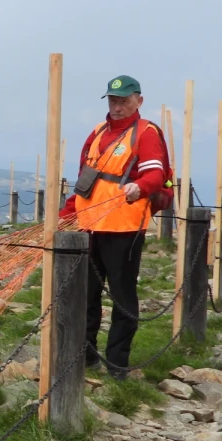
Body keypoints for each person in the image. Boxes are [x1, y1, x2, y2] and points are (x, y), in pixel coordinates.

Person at [59, 75, 174, 380]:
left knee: (123, 298)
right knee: (86, 294)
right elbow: (85, 181)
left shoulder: (147, 133)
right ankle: (85, 356)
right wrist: (66, 214)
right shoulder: (97, 133)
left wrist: (139, 188)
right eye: (113, 100)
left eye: (124, 100)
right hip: (88, 228)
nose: (118, 106)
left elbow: (155, 175)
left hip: (124, 229)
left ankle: (117, 365)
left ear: (139, 100)